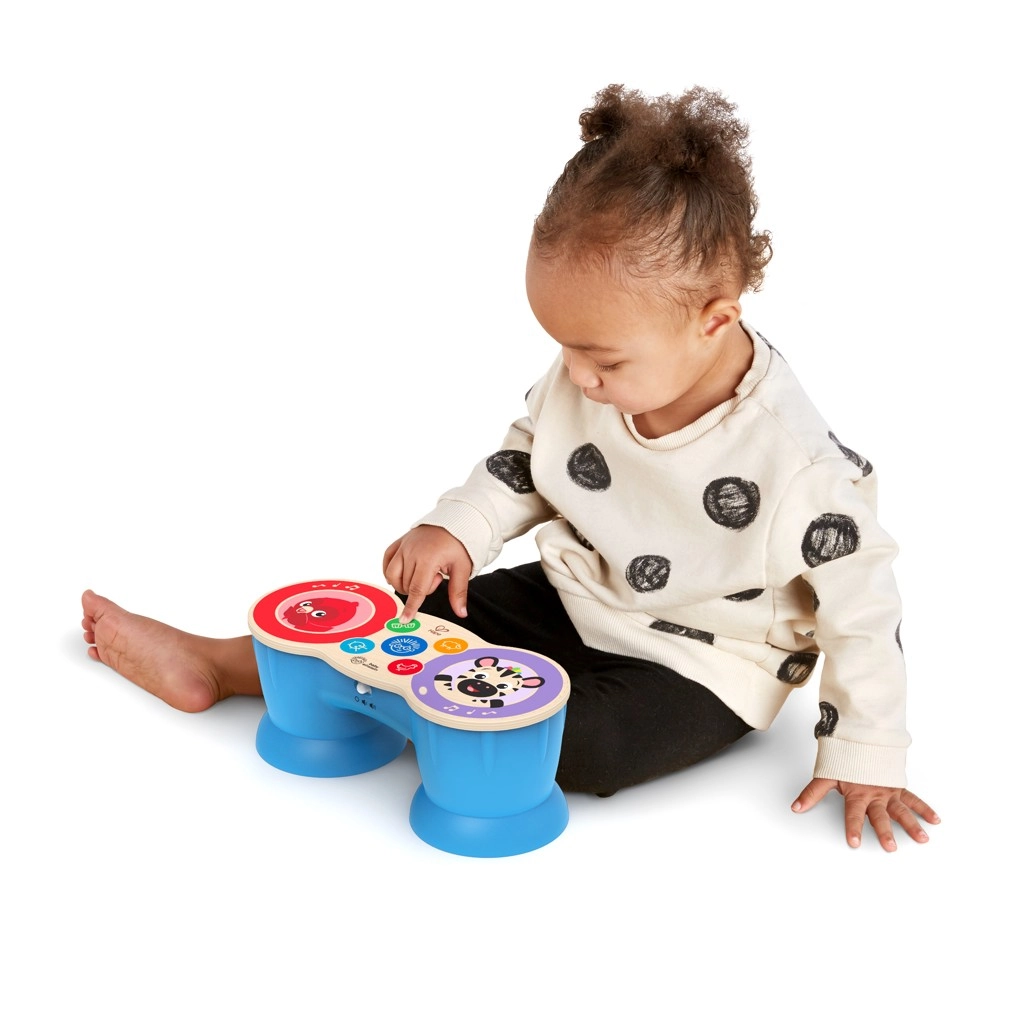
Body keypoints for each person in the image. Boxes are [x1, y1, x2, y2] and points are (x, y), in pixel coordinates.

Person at [82, 84, 939, 851]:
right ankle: (226, 666)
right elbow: (531, 454)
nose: (578, 377)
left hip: (705, 664)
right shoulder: (597, 367)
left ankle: (436, 715)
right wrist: (458, 527)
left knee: (586, 748)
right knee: (408, 617)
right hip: (579, 592)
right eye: (563, 347)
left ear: (714, 320)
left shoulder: (796, 465)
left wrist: (867, 751)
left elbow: (864, 607)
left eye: (602, 359)